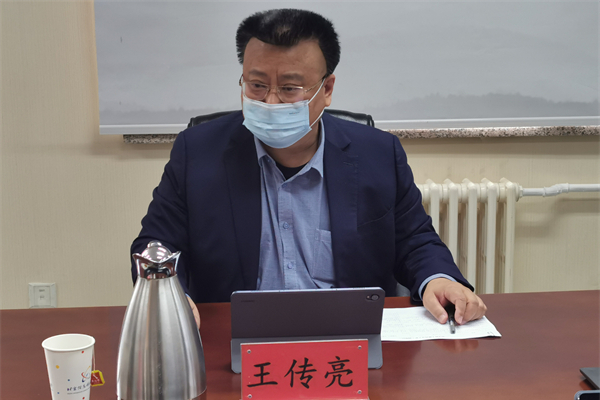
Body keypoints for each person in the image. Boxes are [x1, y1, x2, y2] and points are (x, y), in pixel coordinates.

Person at [131, 8, 486, 328]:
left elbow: (414, 240)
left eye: (289, 88)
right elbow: (155, 245)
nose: (271, 101)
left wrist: (439, 279)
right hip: (233, 343)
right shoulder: (198, 153)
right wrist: (168, 295)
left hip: (348, 340)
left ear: (326, 89)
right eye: (257, 85)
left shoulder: (377, 154)